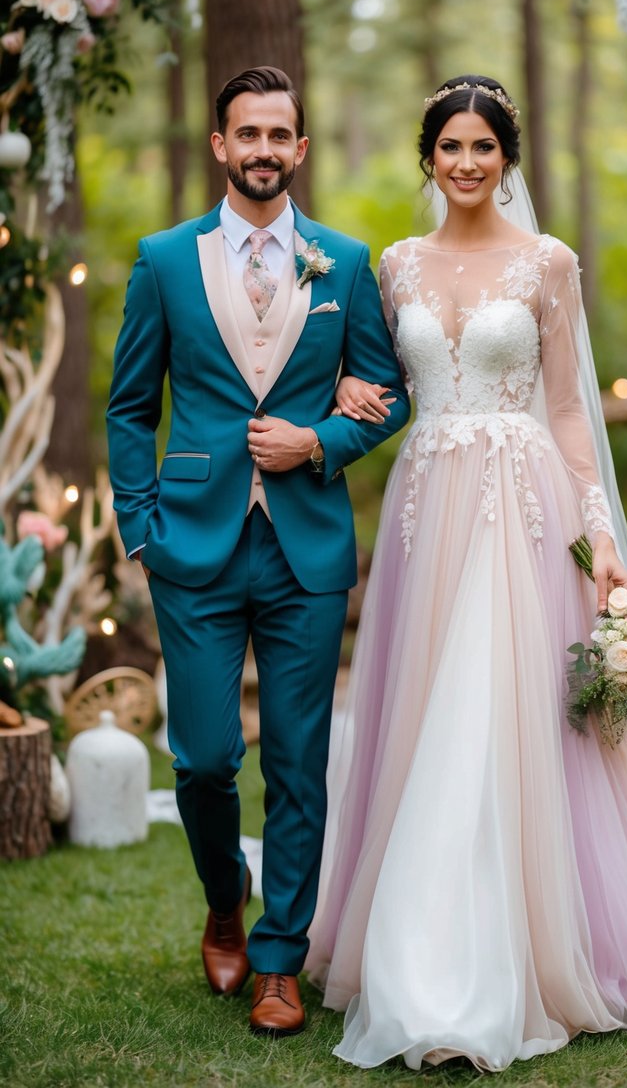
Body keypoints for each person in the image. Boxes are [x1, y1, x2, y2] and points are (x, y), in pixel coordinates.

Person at [306, 75, 627, 1072]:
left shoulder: (548, 263)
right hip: (427, 512)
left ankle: (513, 954)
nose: (466, 162)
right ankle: (416, 947)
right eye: (449, 147)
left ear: (507, 159)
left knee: (509, 715)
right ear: (429, 158)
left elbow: (563, 414)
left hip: (523, 508)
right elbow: (376, 381)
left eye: (483, 147)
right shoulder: (395, 266)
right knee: (425, 715)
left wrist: (605, 550)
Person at [106, 66, 409, 1039]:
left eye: (281, 134)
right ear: (220, 147)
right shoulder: (161, 260)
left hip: (305, 548)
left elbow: (389, 392)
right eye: (249, 134)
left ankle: (280, 955)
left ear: (302, 148)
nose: (265, 150)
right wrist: (137, 520)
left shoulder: (346, 263)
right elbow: (128, 404)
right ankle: (224, 895)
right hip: (189, 540)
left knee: (298, 759)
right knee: (201, 758)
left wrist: (319, 440)